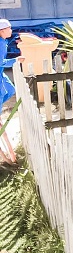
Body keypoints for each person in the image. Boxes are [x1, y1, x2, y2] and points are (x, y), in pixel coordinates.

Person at [0, 19, 17, 163]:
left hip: (1, 73)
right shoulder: (0, 43)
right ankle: (8, 157)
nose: (11, 30)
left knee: (10, 90)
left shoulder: (3, 42)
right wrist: (16, 60)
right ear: (2, 31)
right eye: (9, 28)